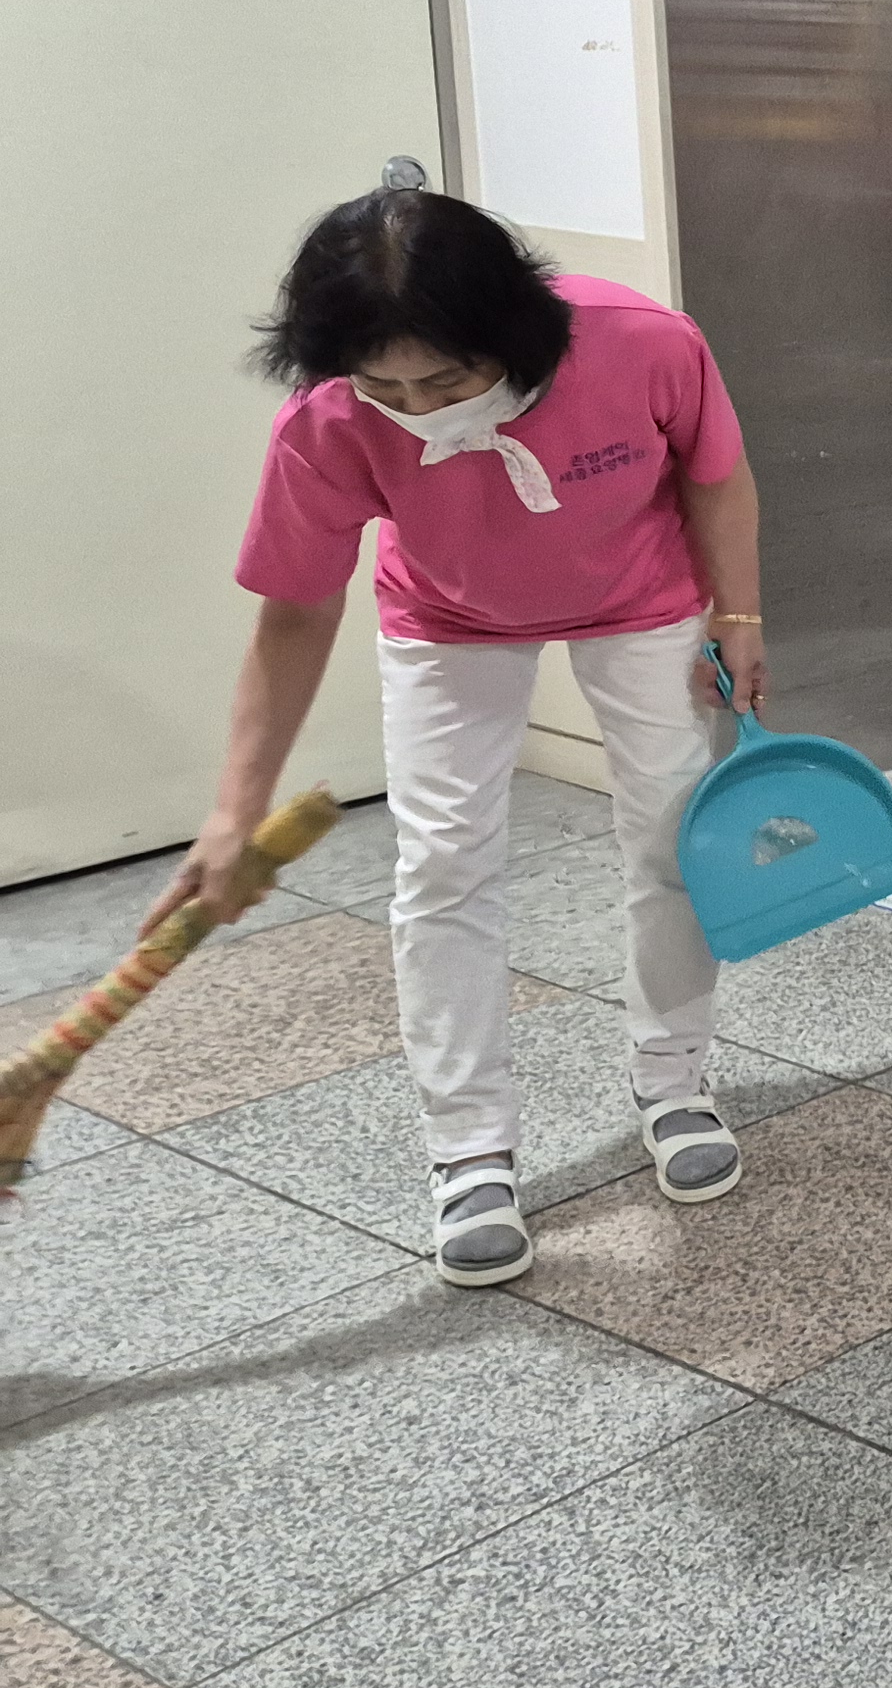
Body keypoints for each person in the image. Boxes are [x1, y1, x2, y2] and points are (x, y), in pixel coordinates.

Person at [153, 187, 764, 1287]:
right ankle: (470, 1148)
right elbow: (295, 611)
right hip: (446, 615)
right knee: (440, 865)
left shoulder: (639, 343)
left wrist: (740, 614)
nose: (416, 409)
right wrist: (234, 812)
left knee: (673, 838)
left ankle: (675, 1080)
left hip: (640, 597)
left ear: (515, 333)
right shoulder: (327, 423)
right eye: (383, 387)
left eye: (445, 382)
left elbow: (714, 472)